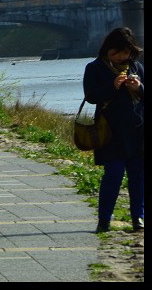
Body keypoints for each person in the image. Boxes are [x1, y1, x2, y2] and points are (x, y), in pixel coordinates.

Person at [83, 26, 144, 233]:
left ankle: (138, 218)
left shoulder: (136, 67)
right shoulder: (94, 68)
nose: (121, 57)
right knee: (113, 175)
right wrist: (113, 86)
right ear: (108, 49)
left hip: (137, 131)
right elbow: (91, 97)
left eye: (125, 52)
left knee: (138, 176)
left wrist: (139, 88)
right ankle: (104, 219)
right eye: (116, 52)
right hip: (109, 132)